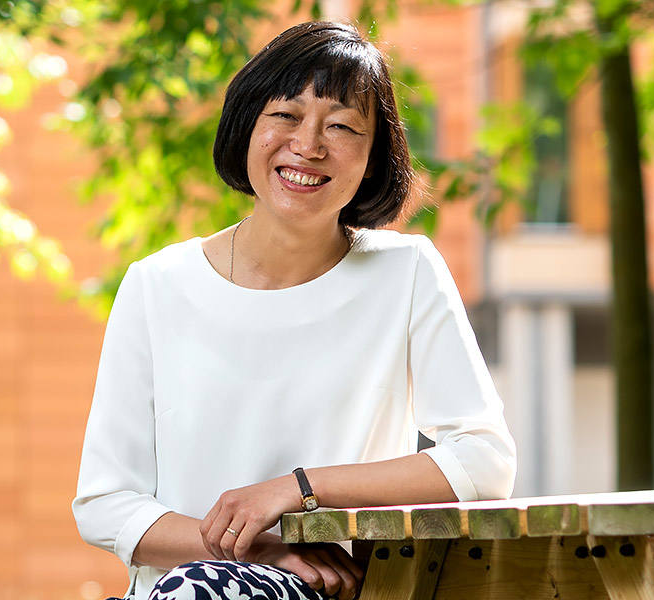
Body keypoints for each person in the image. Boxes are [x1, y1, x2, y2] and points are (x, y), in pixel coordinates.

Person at [73, 21, 516, 600]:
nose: (309, 144)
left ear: (372, 157)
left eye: (341, 126)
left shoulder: (405, 272)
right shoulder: (156, 285)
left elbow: (484, 463)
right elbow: (106, 505)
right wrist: (255, 547)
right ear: (246, 125)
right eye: (286, 115)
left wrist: (298, 490)